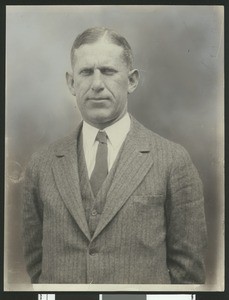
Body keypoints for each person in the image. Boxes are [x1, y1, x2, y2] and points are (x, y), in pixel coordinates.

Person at [22, 27, 207, 284]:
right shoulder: (41, 164)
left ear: (131, 80)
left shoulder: (173, 160)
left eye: (108, 71)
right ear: (71, 82)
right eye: (86, 72)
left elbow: (188, 273)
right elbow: (35, 262)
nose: (97, 84)